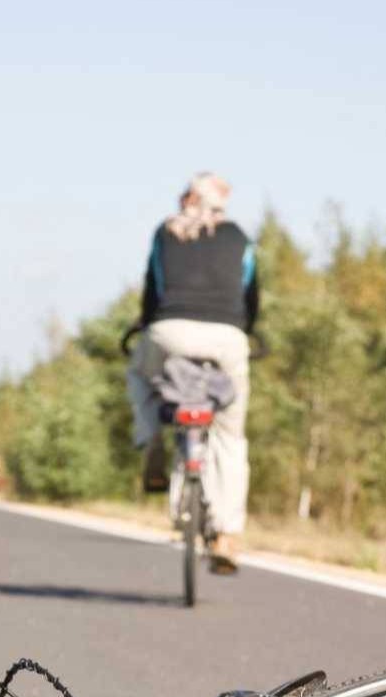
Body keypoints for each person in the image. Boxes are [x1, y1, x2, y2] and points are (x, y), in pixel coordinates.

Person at [126, 172, 258, 574]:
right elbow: (250, 294)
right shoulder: (239, 237)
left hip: (170, 331)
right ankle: (227, 534)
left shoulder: (165, 233)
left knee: (139, 375)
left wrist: (147, 324)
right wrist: (245, 330)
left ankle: (151, 437)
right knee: (230, 434)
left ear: (187, 199)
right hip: (227, 338)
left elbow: (153, 289)